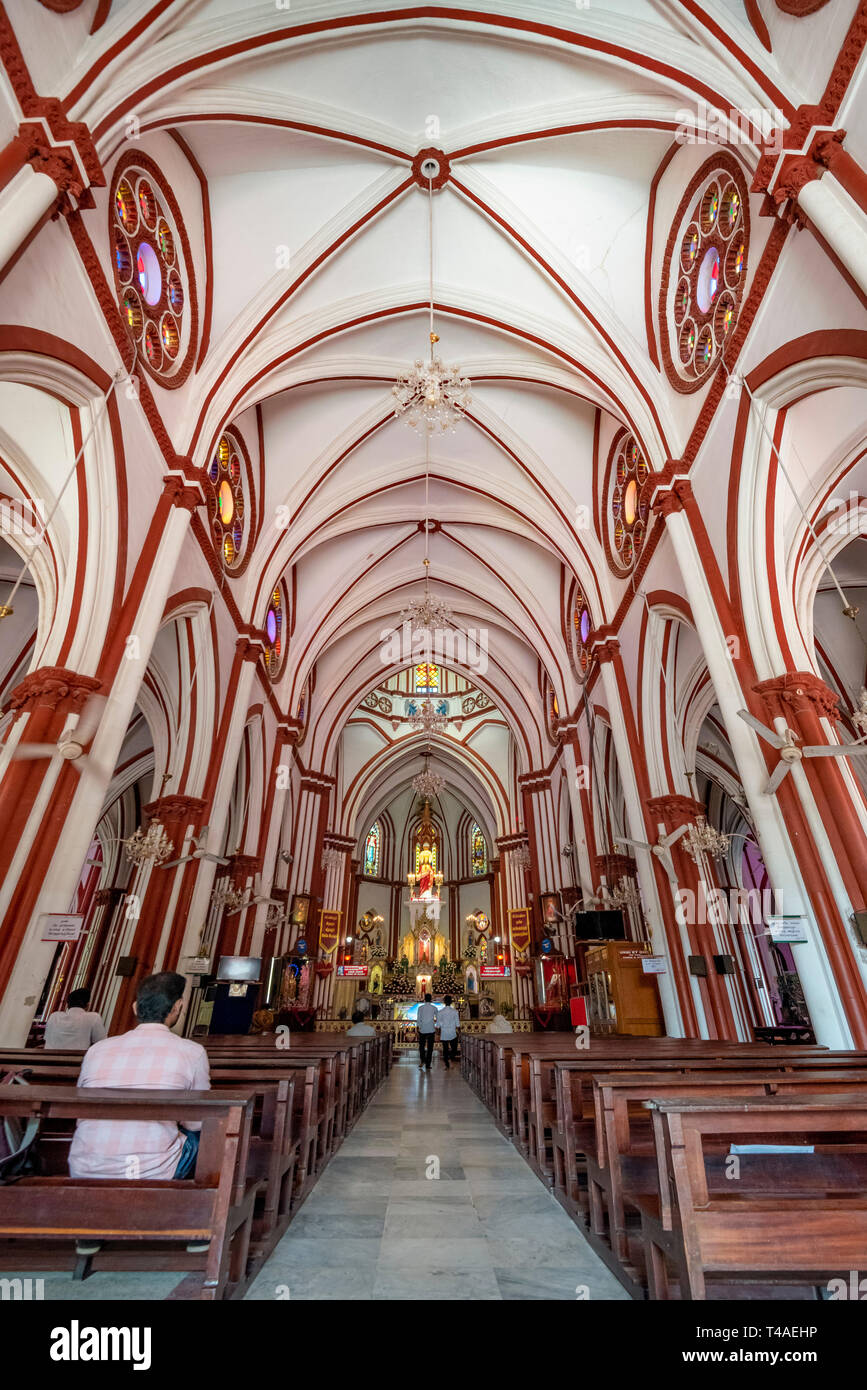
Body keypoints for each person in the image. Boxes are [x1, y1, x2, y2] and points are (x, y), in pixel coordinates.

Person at [68, 971, 209, 1182]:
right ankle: (204, 1203)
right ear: (179, 1006)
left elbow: (81, 1110)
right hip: (154, 1172)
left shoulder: (97, 1050)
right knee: (207, 1132)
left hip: (83, 1166)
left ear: (135, 1007)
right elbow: (197, 1122)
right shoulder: (192, 1052)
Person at [437, 994, 460, 1069]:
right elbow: (457, 1023)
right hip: (452, 1032)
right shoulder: (455, 1011)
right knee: (454, 1048)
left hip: (444, 1032)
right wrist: (459, 1031)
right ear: (451, 1002)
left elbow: (438, 1024)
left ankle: (447, 1064)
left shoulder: (440, 1012)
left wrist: (438, 1031)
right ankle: (450, 1058)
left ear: (444, 1002)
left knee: (445, 1049)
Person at [416, 992, 437, 1070]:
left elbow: (418, 1019)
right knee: (430, 1047)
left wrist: (419, 1027)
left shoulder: (420, 1008)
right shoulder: (434, 1008)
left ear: (424, 999)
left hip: (423, 1030)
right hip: (431, 1029)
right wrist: (436, 1026)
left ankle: (422, 1060)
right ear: (431, 999)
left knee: (421, 1046)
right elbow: (437, 1017)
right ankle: (428, 1064)